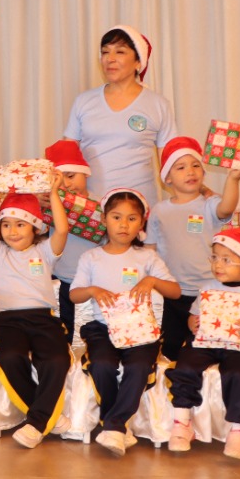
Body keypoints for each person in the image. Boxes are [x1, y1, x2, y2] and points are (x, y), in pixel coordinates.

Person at [69, 188, 179, 457]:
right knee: (103, 364)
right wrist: (93, 290)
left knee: (139, 365)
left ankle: (113, 426)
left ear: (141, 223)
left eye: (132, 219)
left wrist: (151, 280)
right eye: (116, 217)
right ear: (104, 219)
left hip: (140, 331)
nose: (124, 225)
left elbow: (175, 291)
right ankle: (116, 426)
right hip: (102, 329)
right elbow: (74, 295)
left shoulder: (148, 258)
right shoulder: (91, 257)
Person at [165, 228, 240, 459]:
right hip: (205, 342)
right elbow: (193, 316)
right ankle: (182, 422)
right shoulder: (208, 287)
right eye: (214, 257)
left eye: (226, 260)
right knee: (185, 366)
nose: (217, 265)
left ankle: (238, 431)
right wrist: (193, 324)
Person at [0, 186, 71, 448]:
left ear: (35, 228)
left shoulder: (45, 252)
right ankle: (46, 417)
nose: (12, 231)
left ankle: (37, 422)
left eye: (20, 224)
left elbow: (62, 230)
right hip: (7, 321)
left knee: (57, 359)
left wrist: (53, 193)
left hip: (43, 319)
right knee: (9, 356)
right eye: (6, 225)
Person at [147, 137, 240, 361]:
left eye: (195, 165)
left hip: (206, 290)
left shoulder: (209, 204)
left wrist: (233, 179)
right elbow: (150, 250)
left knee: (202, 348)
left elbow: (226, 207)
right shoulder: (159, 210)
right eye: (181, 167)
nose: (190, 172)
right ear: (167, 178)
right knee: (170, 349)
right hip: (172, 293)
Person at [63, 25, 179, 207]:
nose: (110, 59)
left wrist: (202, 192)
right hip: (91, 207)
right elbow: (66, 156)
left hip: (139, 209)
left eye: (120, 52)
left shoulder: (158, 104)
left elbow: (172, 164)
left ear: (138, 62)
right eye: (105, 52)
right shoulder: (83, 101)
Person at [44, 139, 93, 339]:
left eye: (71, 176)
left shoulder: (102, 205)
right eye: (59, 179)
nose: (66, 184)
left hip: (92, 283)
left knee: (90, 332)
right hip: (60, 279)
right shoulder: (51, 205)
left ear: (85, 173)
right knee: (62, 333)